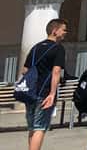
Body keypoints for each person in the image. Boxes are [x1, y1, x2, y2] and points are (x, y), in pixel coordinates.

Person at [20, 18, 67, 150]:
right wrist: (52, 93)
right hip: (44, 93)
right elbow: (56, 71)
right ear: (55, 31)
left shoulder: (36, 47)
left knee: (32, 128)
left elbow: (25, 70)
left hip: (30, 92)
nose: (65, 32)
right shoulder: (58, 48)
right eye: (63, 30)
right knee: (40, 127)